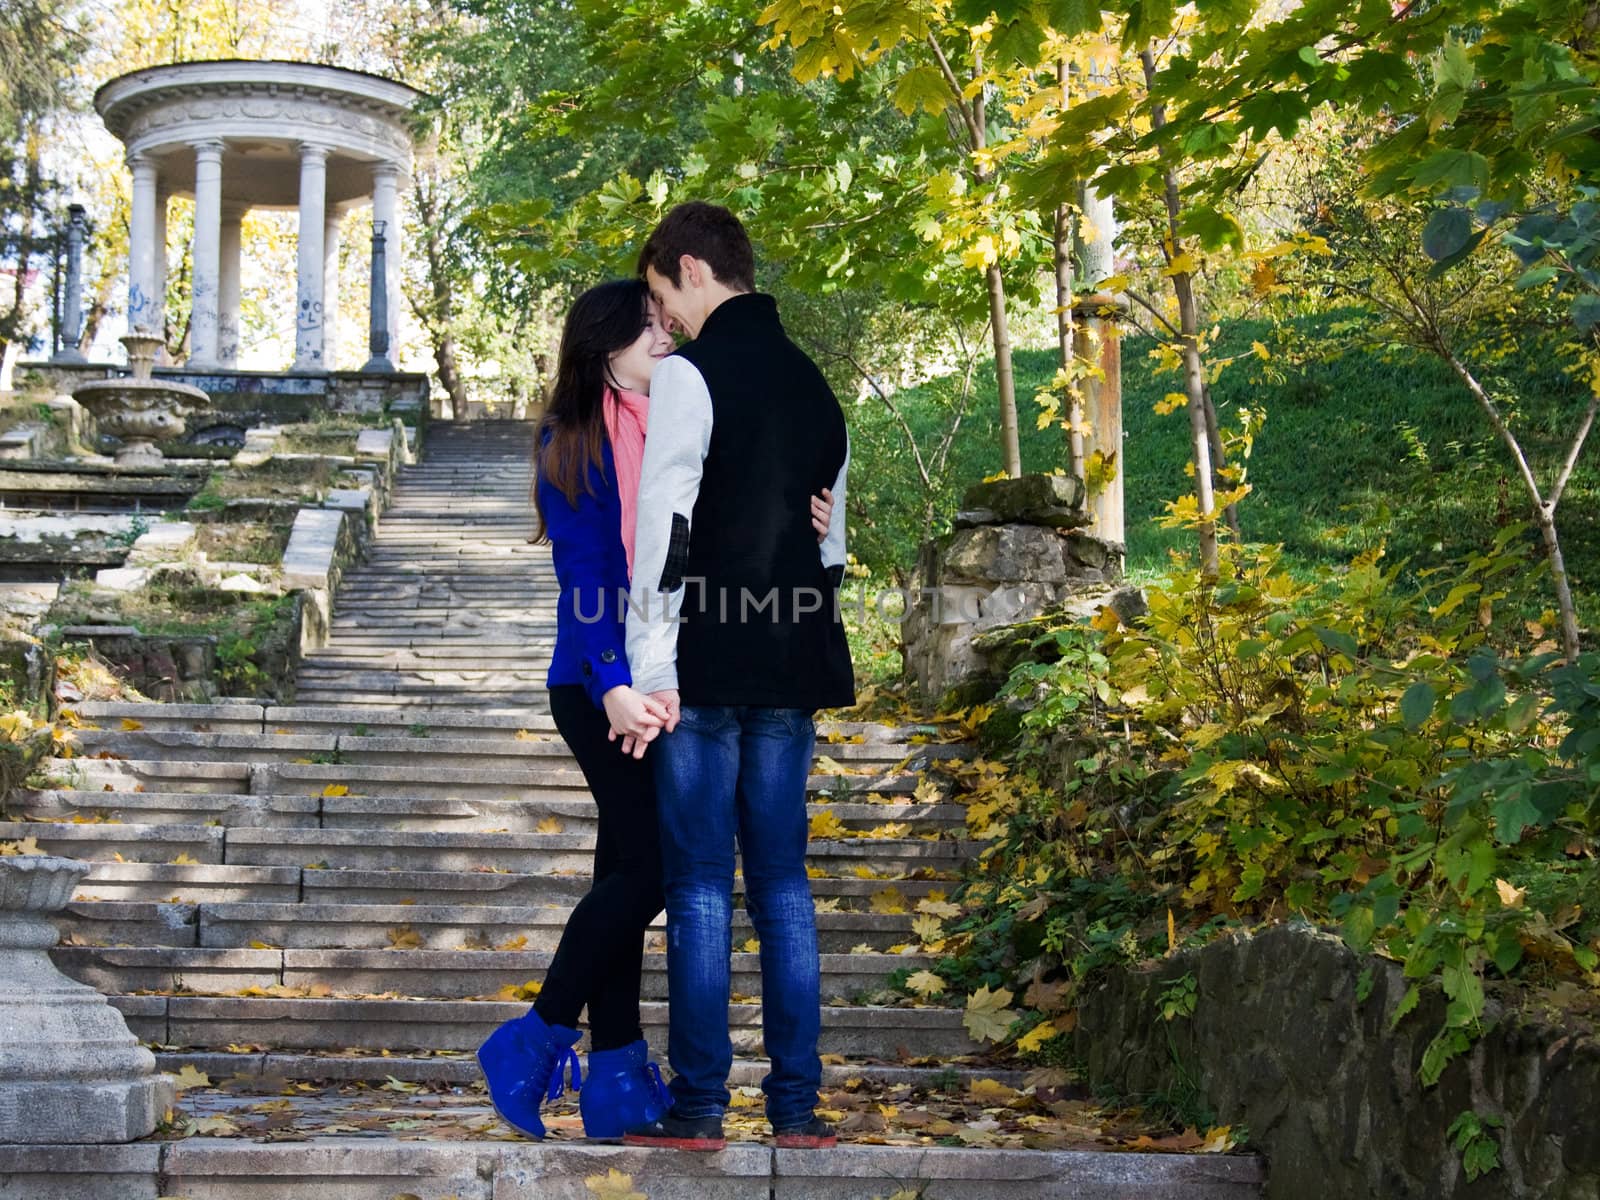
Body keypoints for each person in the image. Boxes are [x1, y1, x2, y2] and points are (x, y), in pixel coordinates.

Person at [477, 277, 836, 1142]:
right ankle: (534, 1038)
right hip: (598, 683)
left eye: (662, 323)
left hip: (660, 675)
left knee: (626, 872)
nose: (664, 337)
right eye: (646, 331)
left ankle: (616, 1078)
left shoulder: (678, 415)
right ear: (605, 349)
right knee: (652, 873)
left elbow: (732, 519)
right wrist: (614, 687)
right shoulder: (576, 438)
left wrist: (813, 517)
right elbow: (587, 576)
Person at [621, 202, 856, 1153]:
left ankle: (701, 1107)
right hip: (794, 658)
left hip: (706, 663)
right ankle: (797, 1109)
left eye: (660, 297)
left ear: (690, 269)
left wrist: (649, 665)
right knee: (786, 886)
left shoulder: (689, 378)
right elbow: (830, 538)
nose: (663, 320)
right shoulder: (816, 386)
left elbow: (663, 530)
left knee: (702, 885)